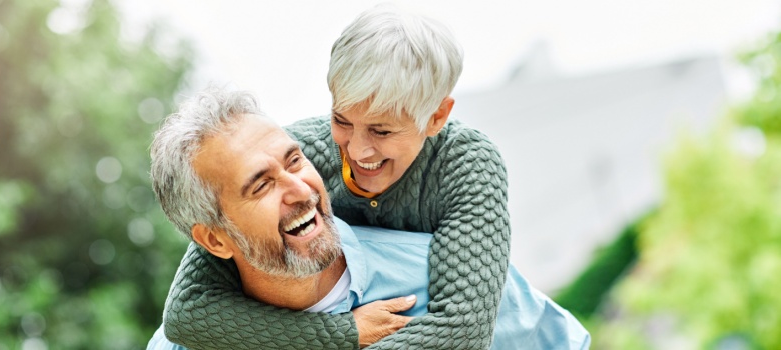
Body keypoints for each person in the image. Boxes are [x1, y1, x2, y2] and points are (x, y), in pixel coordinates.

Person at [164, 5, 514, 349]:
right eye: (342, 120)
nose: (357, 150)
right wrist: (341, 334)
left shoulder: (466, 164)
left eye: (381, 131)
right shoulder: (297, 156)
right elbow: (187, 311)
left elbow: (462, 330)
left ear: (437, 117)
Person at [147, 88, 591, 350]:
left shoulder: (445, 278)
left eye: (295, 160)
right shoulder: (180, 345)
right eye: (261, 185)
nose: (300, 190)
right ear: (215, 240)